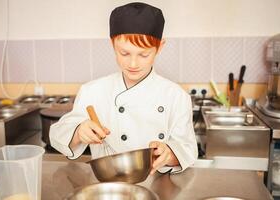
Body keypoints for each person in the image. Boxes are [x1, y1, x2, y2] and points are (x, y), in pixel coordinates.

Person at [50, 2, 198, 174]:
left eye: (144, 54)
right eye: (124, 53)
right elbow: (57, 135)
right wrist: (78, 132)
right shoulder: (93, 91)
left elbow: (187, 149)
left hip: (157, 185)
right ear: (113, 45)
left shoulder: (176, 96)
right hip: (108, 186)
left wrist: (170, 154)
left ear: (160, 47)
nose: (133, 64)